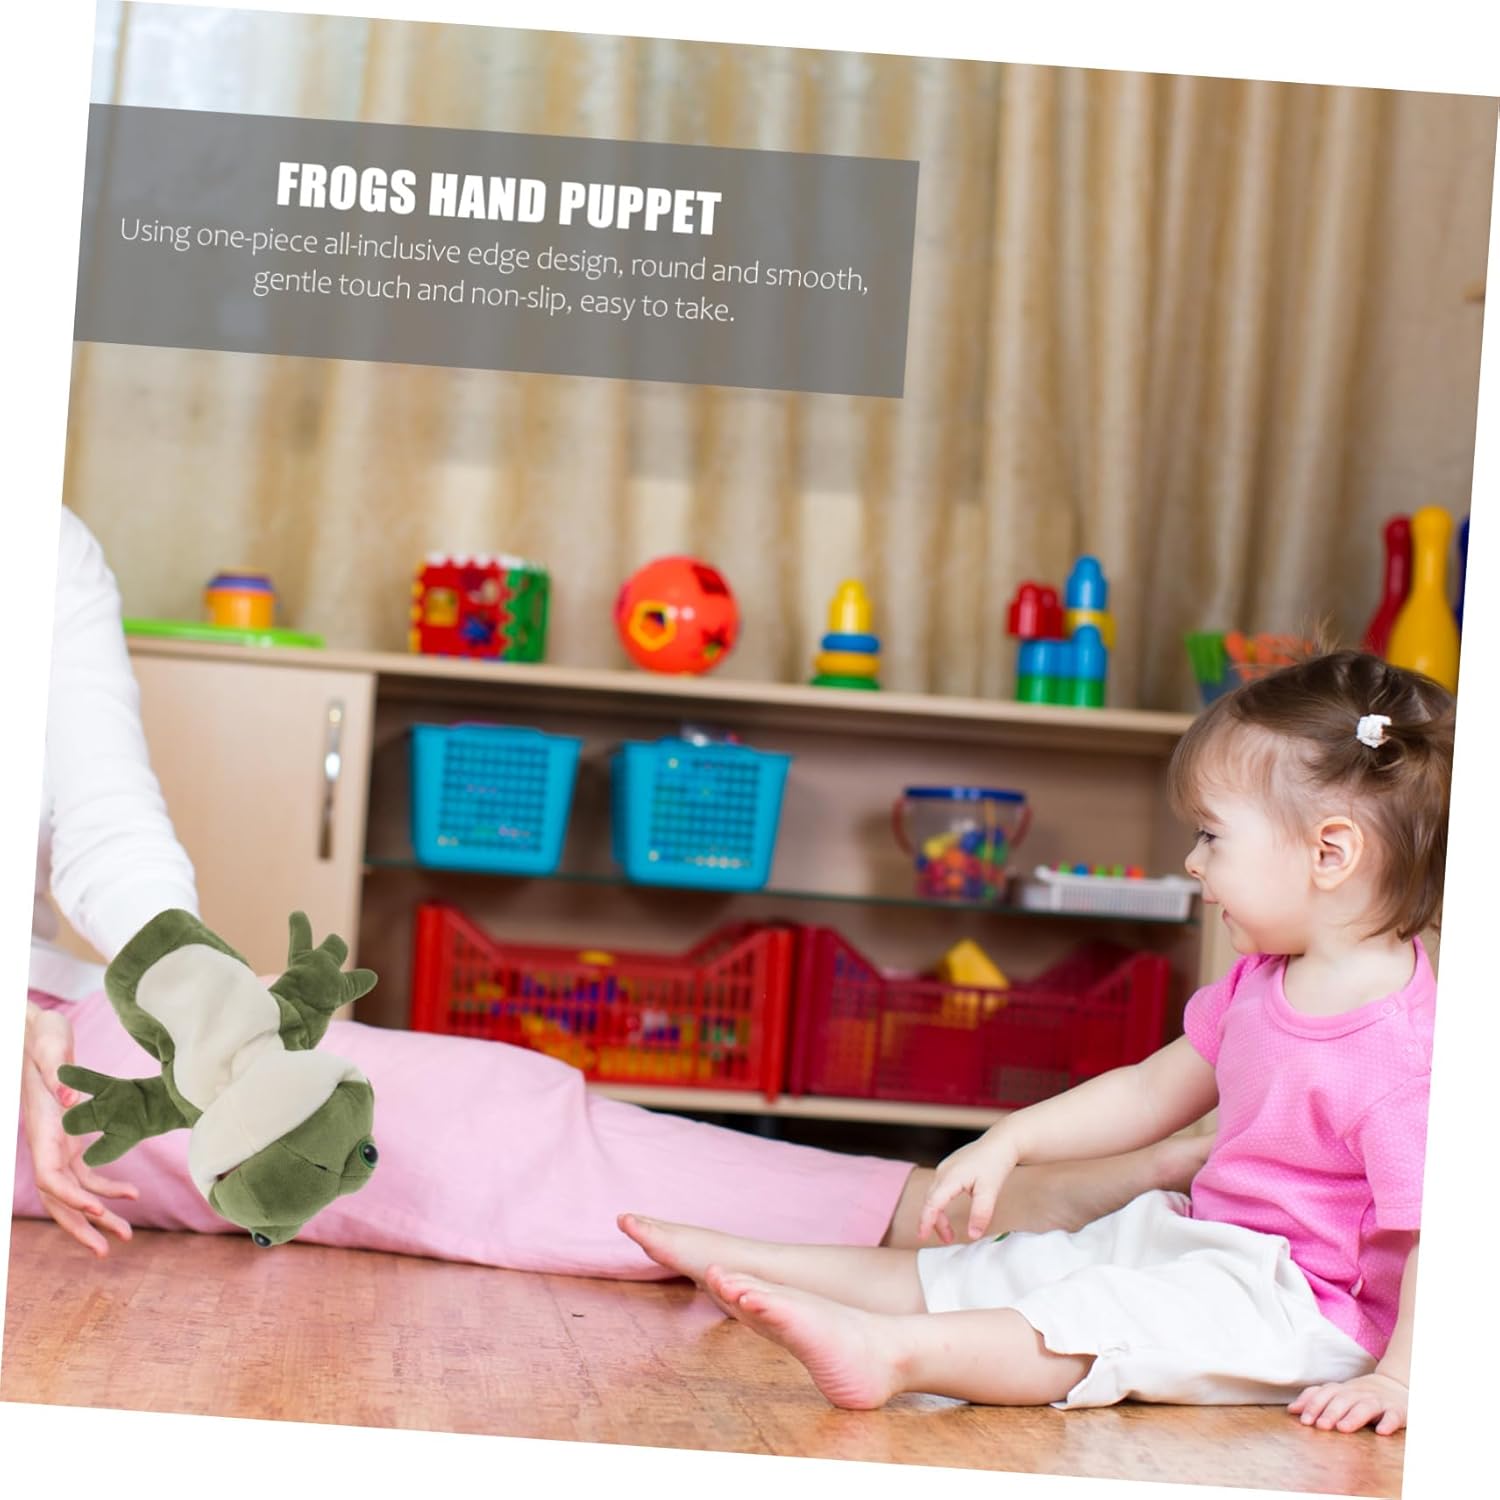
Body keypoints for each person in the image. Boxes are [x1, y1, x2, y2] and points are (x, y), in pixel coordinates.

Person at [16, 507, 1211, 1268]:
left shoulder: (47, 545)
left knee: (407, 1108)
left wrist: (212, 1017)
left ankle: (932, 1207)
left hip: (47, 1021)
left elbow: (108, 838)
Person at [619, 650, 1448, 1437]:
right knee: (1013, 1266)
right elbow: (1146, 1091)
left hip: (1302, 1309)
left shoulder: (1405, 1056)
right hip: (1206, 1242)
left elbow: (1436, 1234)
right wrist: (1011, 1140)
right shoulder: (1260, 980)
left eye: (1211, 836)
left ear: (1330, 853)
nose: (1194, 863)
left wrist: (1402, 1379)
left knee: (1094, 1319)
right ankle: (752, 1266)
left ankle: (892, 1354)